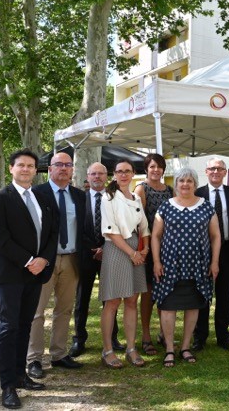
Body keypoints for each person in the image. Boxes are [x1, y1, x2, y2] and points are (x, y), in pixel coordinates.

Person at [0, 149, 58, 409]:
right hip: (12, 274)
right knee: (8, 328)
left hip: (37, 273)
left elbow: (52, 232)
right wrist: (29, 260)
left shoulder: (41, 198)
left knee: (25, 325)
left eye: (31, 166)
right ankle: (7, 386)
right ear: (11, 169)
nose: (27, 169)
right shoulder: (0, 198)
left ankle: (20, 375)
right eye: (21, 165)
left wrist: (44, 260)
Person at [152, 168, 220, 366]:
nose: (185, 184)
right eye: (182, 180)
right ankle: (170, 349)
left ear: (195, 184)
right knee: (168, 306)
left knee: (193, 306)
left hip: (197, 266)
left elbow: (215, 236)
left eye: (189, 180)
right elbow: (156, 236)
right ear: (177, 183)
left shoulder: (206, 207)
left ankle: (185, 347)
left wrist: (214, 261)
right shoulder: (166, 206)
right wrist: (156, 261)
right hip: (170, 266)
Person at [27, 152, 86, 378]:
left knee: (64, 309)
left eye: (68, 165)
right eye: (58, 164)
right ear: (49, 169)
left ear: (72, 170)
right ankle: (34, 358)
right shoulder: (36, 193)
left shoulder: (79, 196)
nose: (63, 168)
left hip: (72, 259)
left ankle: (59, 354)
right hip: (44, 261)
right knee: (36, 311)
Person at [99, 159, 150, 369]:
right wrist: (132, 253)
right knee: (112, 302)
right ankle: (108, 350)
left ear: (133, 174)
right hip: (117, 249)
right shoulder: (108, 197)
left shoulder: (137, 198)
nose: (123, 175)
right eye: (119, 171)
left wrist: (144, 249)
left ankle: (131, 348)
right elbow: (110, 230)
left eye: (127, 171)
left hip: (136, 250)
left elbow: (144, 226)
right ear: (114, 174)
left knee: (131, 301)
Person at [70, 162, 122, 357]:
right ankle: (79, 339)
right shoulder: (79, 200)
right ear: (88, 176)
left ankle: (113, 338)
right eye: (93, 174)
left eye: (101, 174)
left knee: (110, 299)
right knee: (81, 298)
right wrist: (91, 248)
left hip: (110, 252)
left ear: (106, 176)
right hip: (84, 255)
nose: (97, 177)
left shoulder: (114, 199)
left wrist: (105, 247)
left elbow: (118, 226)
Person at [192, 158, 229, 352]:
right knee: (203, 295)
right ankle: (200, 337)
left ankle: (223, 336)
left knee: (223, 295)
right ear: (206, 171)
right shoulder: (198, 194)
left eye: (219, 169)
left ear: (225, 172)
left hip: (228, 251)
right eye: (212, 168)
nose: (215, 171)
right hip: (202, 253)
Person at [134, 153, 173, 356]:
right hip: (149, 247)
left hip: (168, 248)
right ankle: (146, 336)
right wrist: (146, 248)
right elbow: (139, 222)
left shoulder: (170, 190)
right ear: (146, 169)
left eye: (159, 167)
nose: (155, 170)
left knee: (165, 291)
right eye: (152, 167)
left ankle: (164, 334)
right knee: (148, 293)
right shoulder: (141, 189)